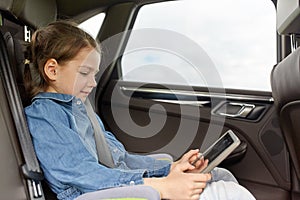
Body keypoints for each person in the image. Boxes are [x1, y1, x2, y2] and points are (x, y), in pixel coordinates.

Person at [24, 21, 256, 200]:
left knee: (219, 176)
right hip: (98, 194)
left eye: (94, 74)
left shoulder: (81, 110)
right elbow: (83, 175)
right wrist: (161, 186)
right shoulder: (45, 115)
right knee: (225, 193)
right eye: (85, 73)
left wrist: (171, 168)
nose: (93, 82)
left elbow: (120, 159)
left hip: (119, 185)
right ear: (52, 70)